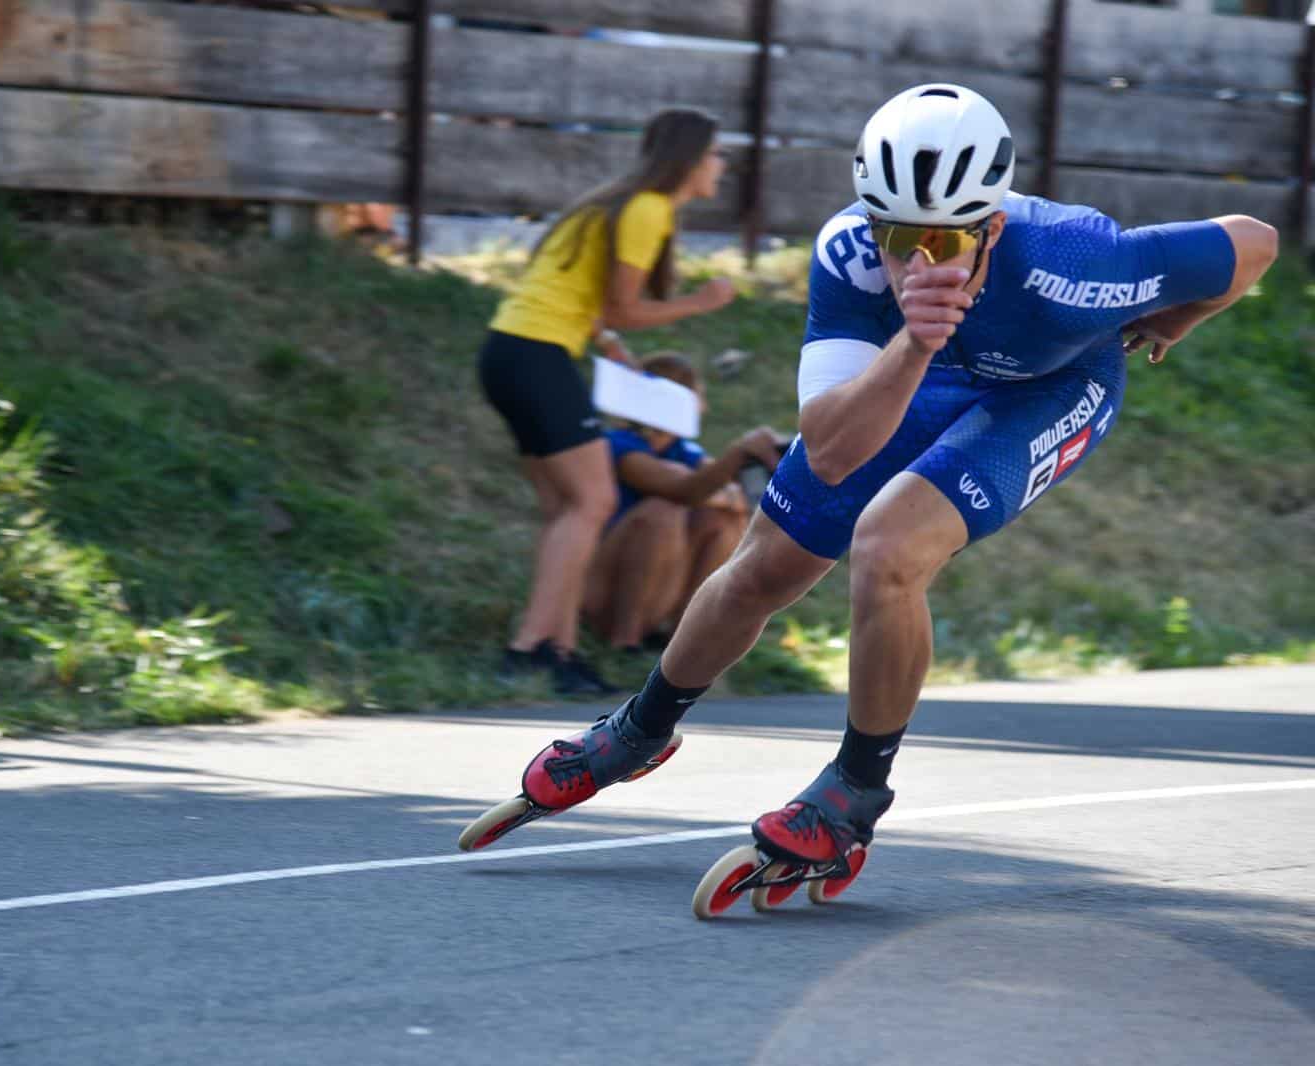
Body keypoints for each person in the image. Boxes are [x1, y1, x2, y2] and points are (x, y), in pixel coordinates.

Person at [464, 84, 1278, 880]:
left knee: (889, 545)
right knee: (765, 563)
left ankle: (855, 790)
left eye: (944, 241)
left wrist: (1176, 319)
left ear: (993, 227)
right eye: (895, 232)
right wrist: (917, 342)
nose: (913, 260)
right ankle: (639, 730)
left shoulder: (1086, 261)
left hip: (1049, 389)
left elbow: (1255, 240)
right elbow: (827, 449)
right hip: (920, 373)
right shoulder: (849, 255)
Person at [477, 108, 738, 695]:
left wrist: (607, 343)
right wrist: (701, 301)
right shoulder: (647, 209)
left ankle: (560, 650)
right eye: (716, 154)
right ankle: (527, 648)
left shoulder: (613, 201)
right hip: (536, 355)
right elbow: (622, 304)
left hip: (511, 352)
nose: (721, 166)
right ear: (691, 159)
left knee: (566, 509)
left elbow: (582, 298)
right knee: (592, 501)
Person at [582, 351, 783, 652]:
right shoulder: (618, 445)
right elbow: (682, 491)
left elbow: (735, 499)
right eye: (697, 398)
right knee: (662, 512)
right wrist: (736, 456)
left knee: (722, 521)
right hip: (605, 592)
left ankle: (682, 638)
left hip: (660, 588)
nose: (703, 408)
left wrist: (721, 487)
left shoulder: (682, 450)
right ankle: (625, 639)